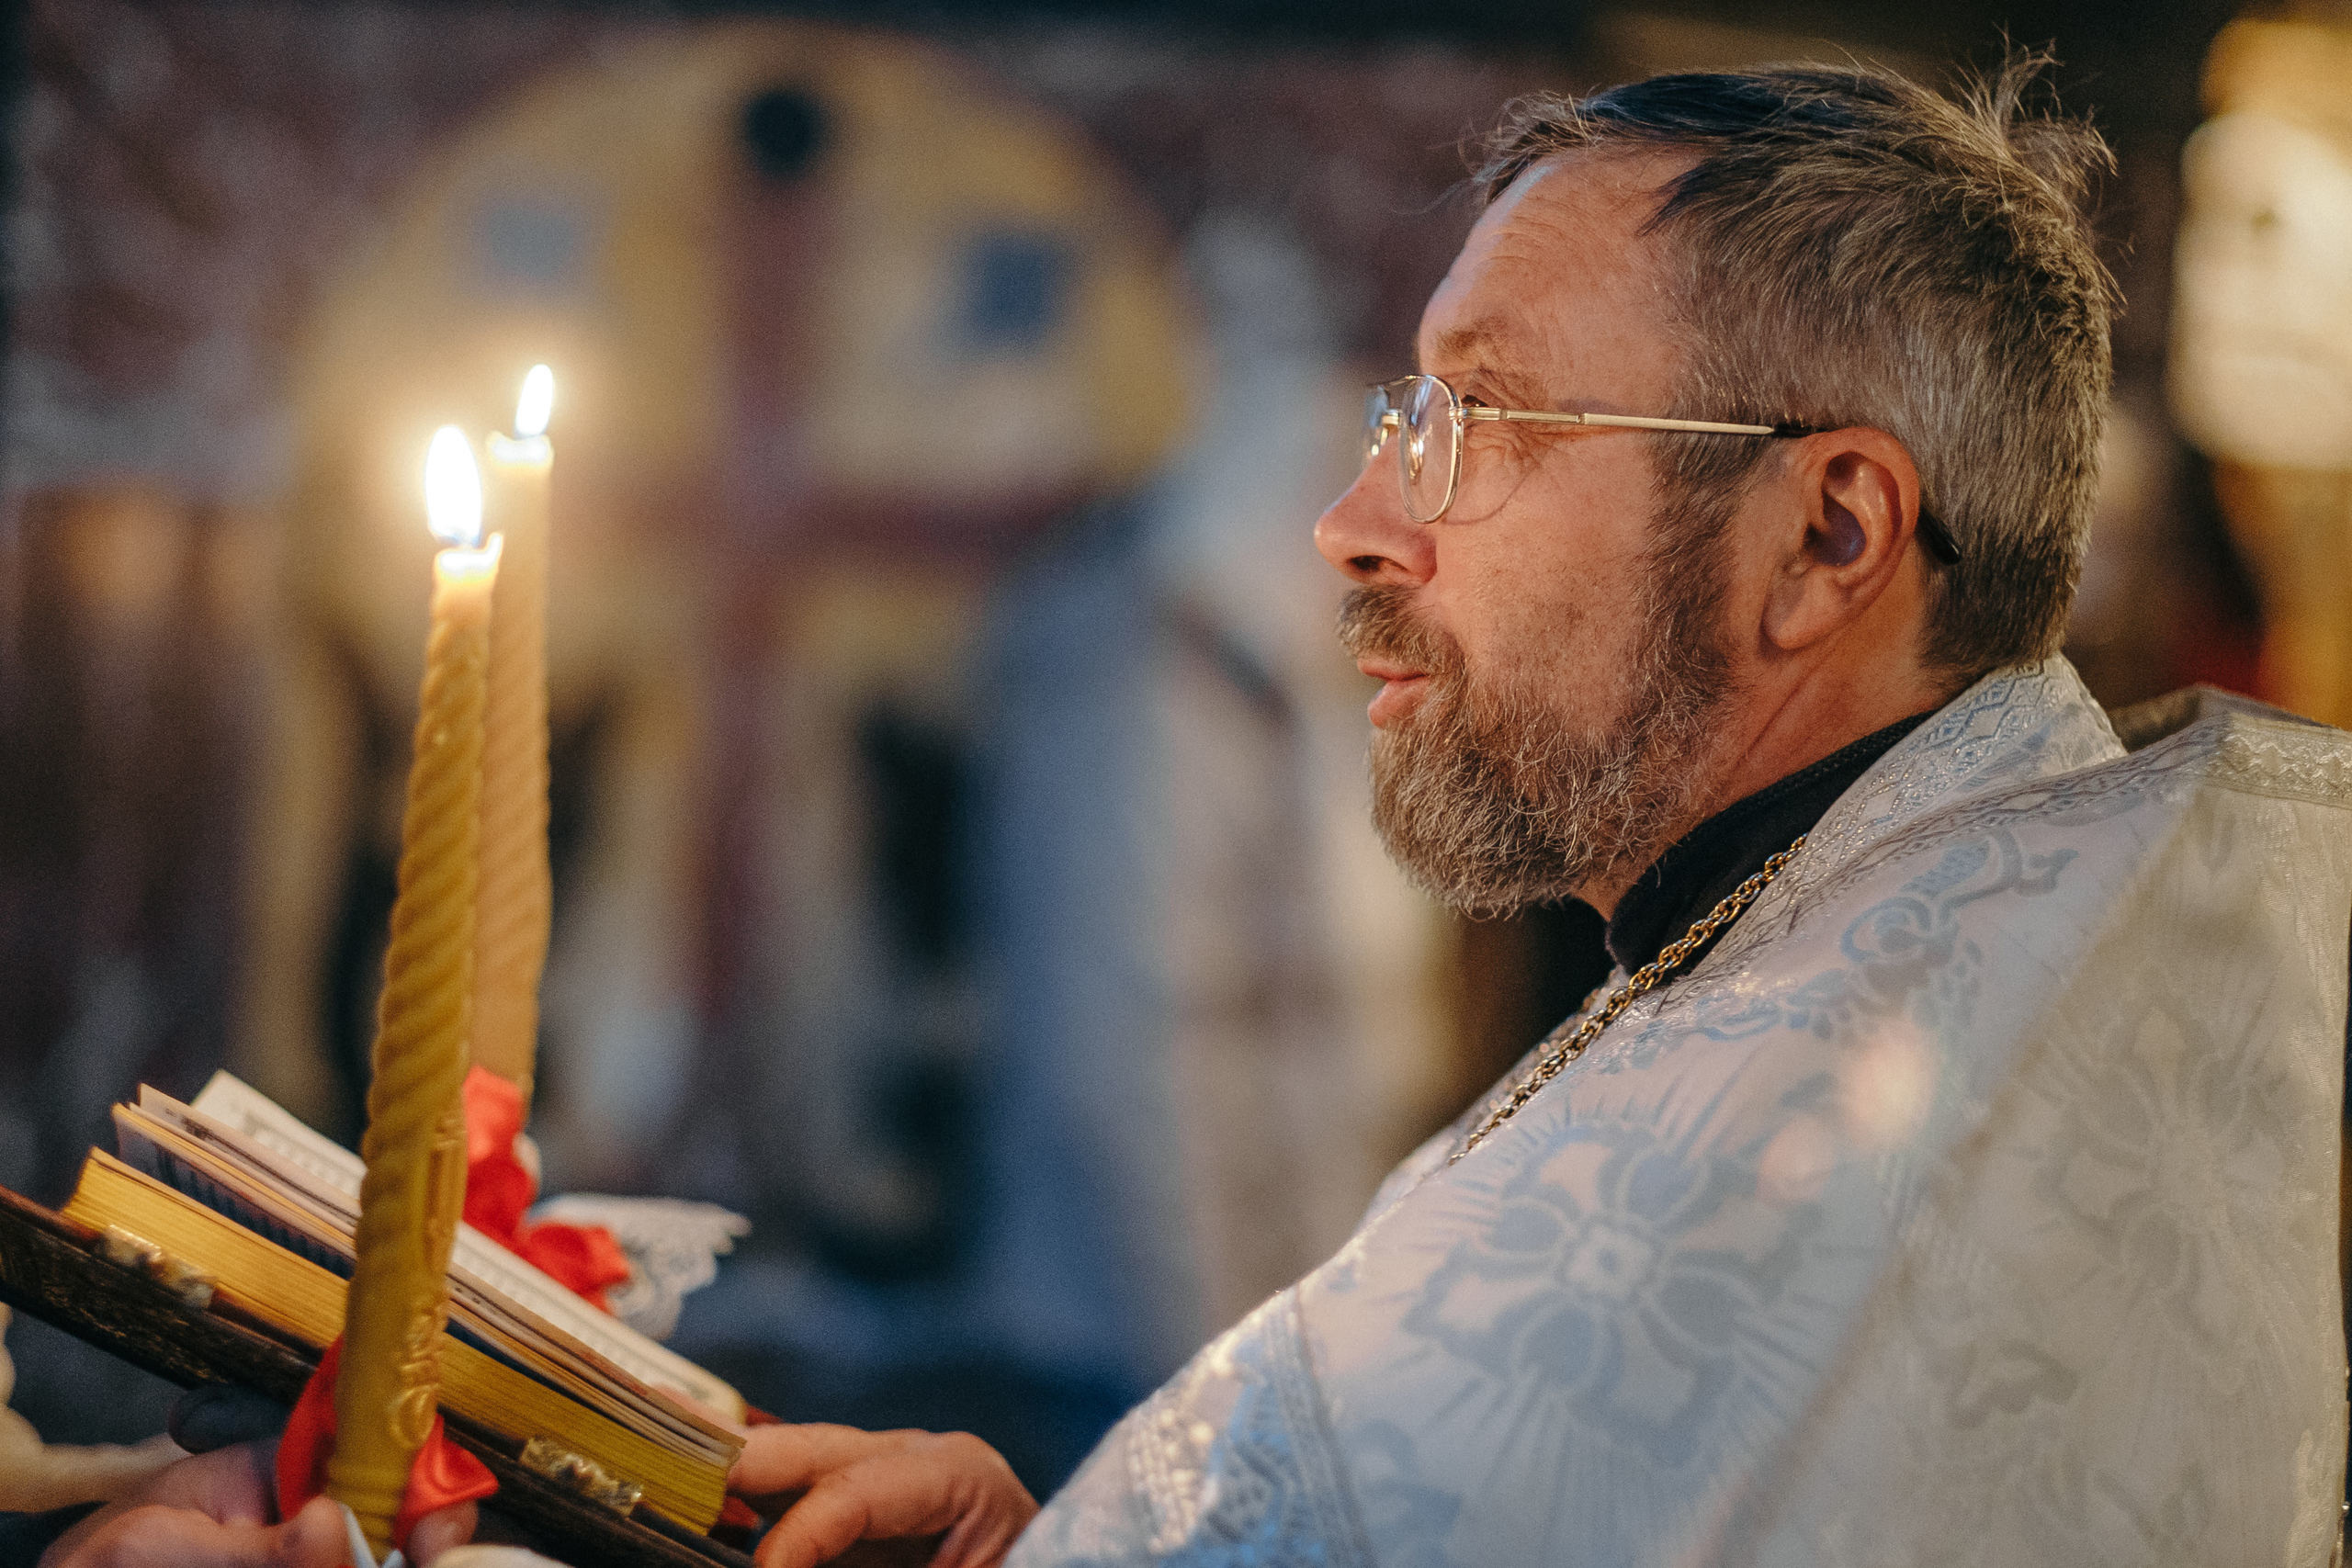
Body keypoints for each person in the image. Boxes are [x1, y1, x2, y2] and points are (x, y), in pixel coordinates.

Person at [36, 51, 2352, 1568]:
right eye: (1387, 405)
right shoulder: (1890, 953)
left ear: (1828, 536)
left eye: (1476, 418)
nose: (1360, 513)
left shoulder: (1875, 1096)